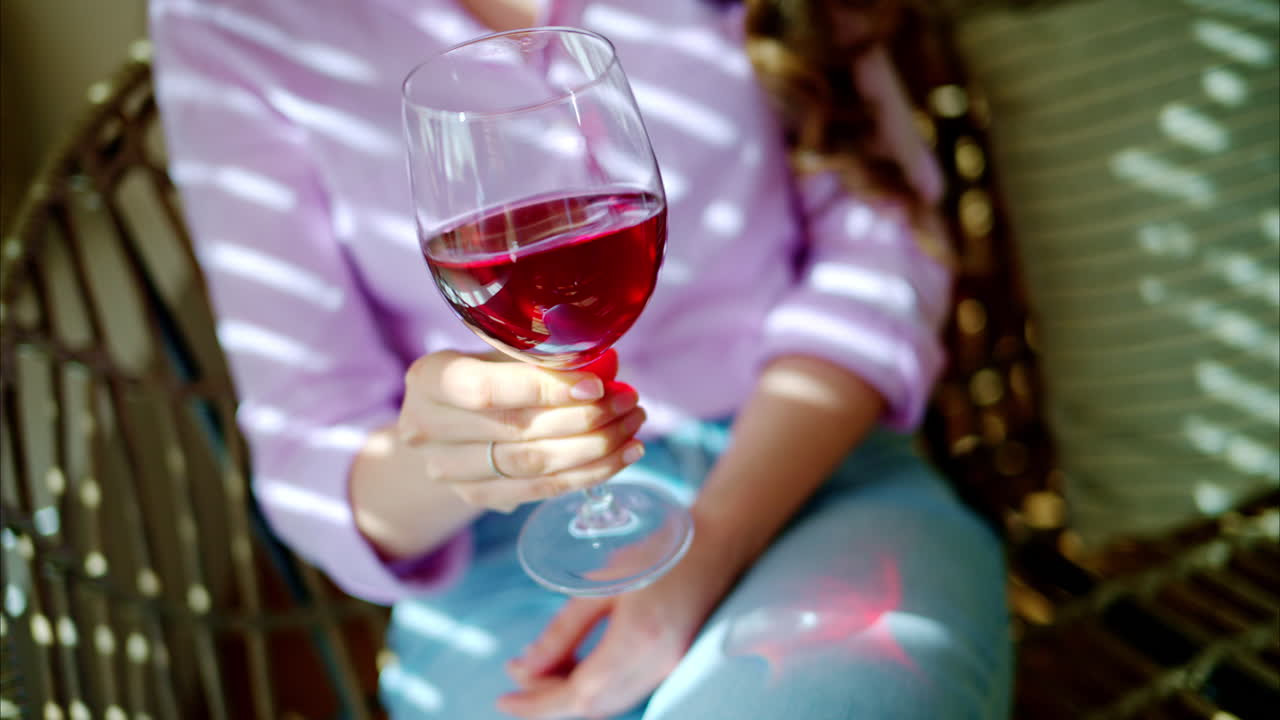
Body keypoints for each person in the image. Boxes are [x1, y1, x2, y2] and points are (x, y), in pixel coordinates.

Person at [150, 0, 1011, 718]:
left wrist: (705, 551)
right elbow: (310, 440)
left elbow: (882, 248)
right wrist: (449, 458)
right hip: (505, 559)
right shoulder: (232, 19)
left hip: (811, 475)